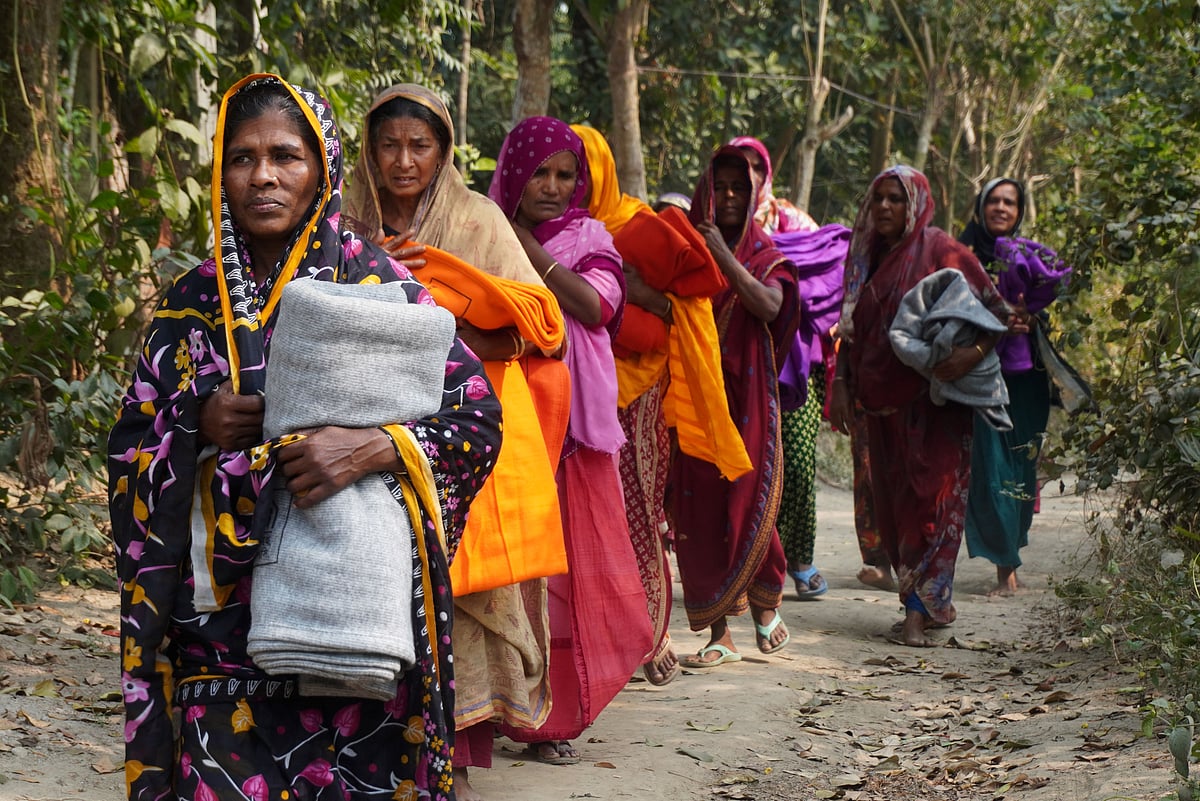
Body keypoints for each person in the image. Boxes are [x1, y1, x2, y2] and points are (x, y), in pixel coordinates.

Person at [108, 74, 502, 801]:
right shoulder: (187, 308)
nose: (262, 175)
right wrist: (195, 424)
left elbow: (475, 418)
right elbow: (130, 448)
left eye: (286, 155)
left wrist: (373, 447)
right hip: (217, 633)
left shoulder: (380, 288)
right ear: (220, 173)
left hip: (355, 624)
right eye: (242, 157)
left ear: (323, 167)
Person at [344, 85, 564, 801]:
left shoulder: (479, 221)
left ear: (442, 150)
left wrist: (441, 324)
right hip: (367, 430)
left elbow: (535, 323)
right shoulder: (345, 223)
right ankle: (375, 749)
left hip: (460, 437)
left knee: (461, 588)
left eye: (420, 145)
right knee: (381, 583)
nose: (403, 161)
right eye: (389, 145)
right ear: (369, 151)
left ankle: (457, 759)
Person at [488, 116, 653, 764]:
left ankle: (553, 720)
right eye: (540, 174)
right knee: (506, 574)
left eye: (565, 175)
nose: (553, 187)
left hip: (573, 436)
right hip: (501, 423)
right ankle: (496, 705)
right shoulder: (481, 231)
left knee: (567, 581)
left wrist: (529, 246)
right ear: (514, 175)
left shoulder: (590, 236)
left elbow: (594, 307)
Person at [827, 165, 1019, 647]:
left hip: (935, 408)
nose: (886, 207)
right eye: (879, 199)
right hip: (879, 407)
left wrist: (967, 356)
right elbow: (850, 327)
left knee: (930, 503)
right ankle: (922, 603)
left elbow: (996, 314)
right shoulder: (864, 255)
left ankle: (919, 613)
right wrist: (843, 384)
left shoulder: (942, 250)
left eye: (896, 199)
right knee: (893, 509)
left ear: (915, 203)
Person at [673, 145, 800, 667]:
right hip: (693, 399)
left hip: (747, 399)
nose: (727, 197)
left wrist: (724, 259)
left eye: (738, 189)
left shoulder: (766, 255)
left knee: (748, 498)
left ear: (753, 197)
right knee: (698, 509)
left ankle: (766, 606)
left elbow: (771, 305)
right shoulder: (684, 246)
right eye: (719, 187)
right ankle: (719, 634)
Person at [570, 124, 679, 686]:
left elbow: (682, 309)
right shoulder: (534, 232)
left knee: (638, 510)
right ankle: (601, 639)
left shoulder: (638, 224)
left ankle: (652, 633)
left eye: (576, 172)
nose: (567, 183)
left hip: (634, 392)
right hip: (571, 390)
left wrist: (635, 294)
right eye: (556, 172)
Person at [959, 178, 1071, 596]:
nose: (1002, 208)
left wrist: (1030, 317)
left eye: (1010, 202)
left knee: (1023, 463)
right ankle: (1005, 570)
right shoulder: (962, 255)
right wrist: (992, 318)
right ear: (981, 207)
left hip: (1028, 379)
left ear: (1019, 211)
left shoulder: (1029, 257)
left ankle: (1010, 558)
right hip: (982, 374)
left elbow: (1048, 302)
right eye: (994, 201)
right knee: (990, 465)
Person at [728, 135, 818, 235]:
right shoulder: (711, 219)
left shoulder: (789, 218)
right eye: (742, 166)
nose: (750, 174)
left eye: (757, 168)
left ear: (766, 174)